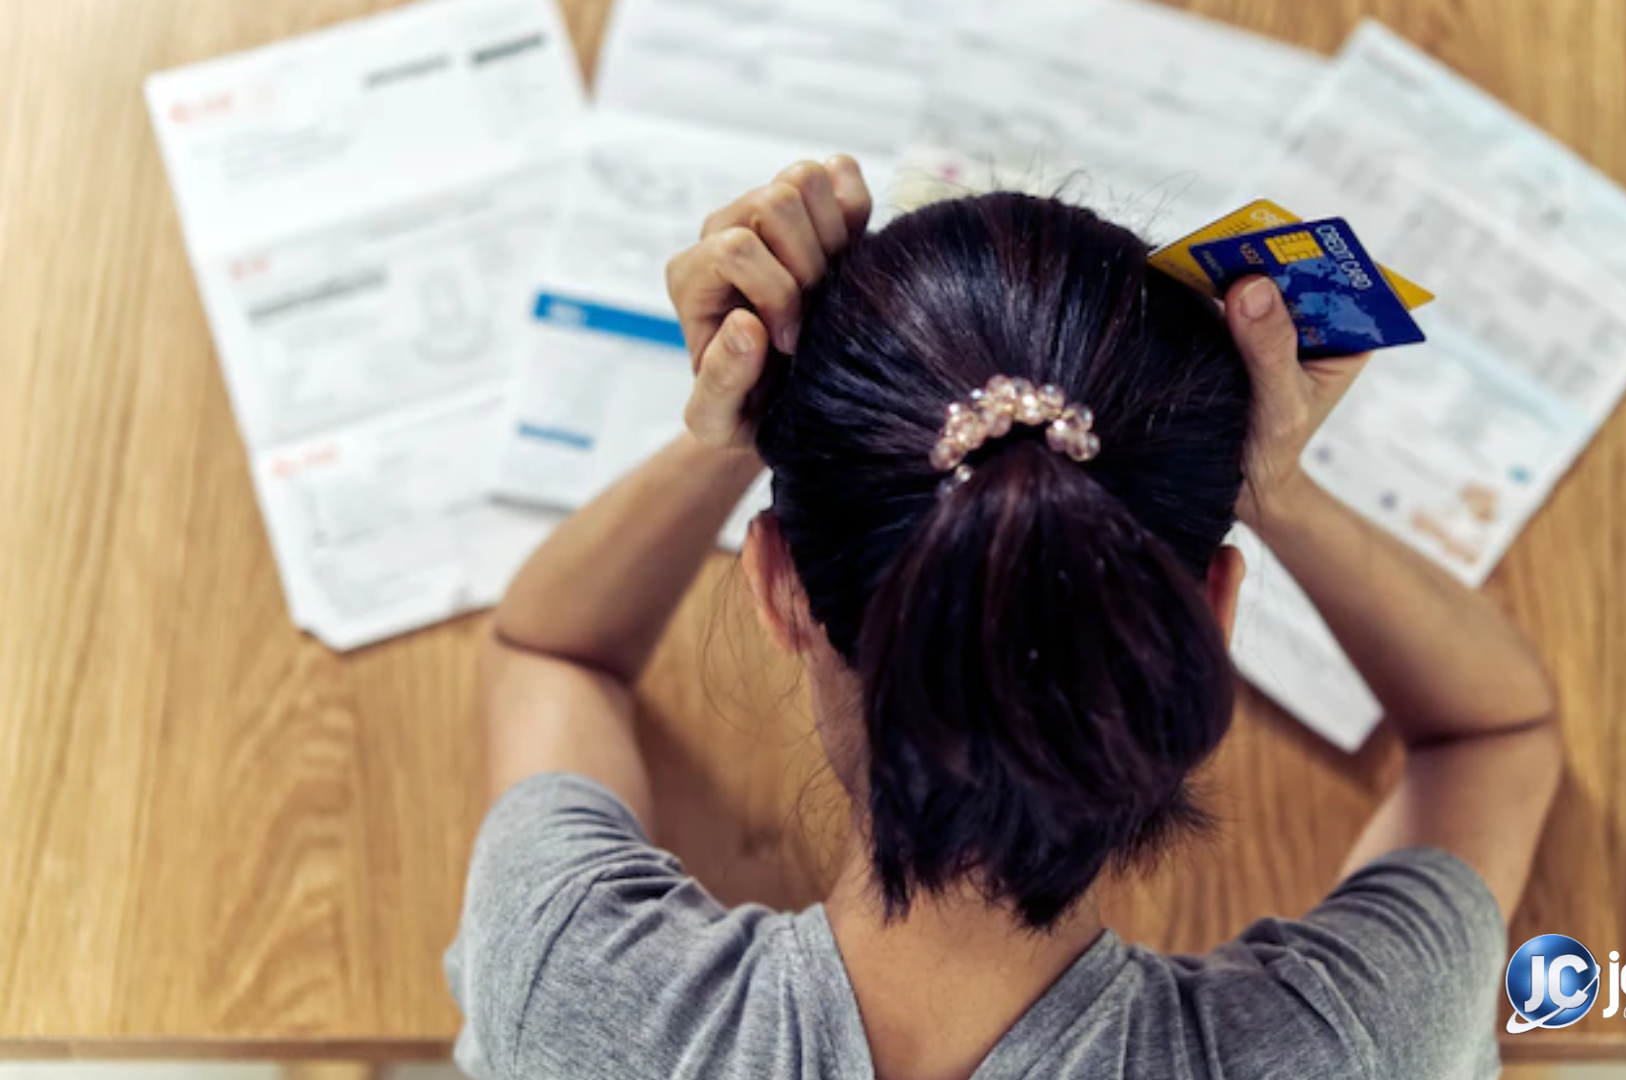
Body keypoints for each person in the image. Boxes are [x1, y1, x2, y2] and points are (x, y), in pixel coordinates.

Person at [447, 157, 1563, 1080]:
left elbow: (551, 648)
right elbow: (1494, 734)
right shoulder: (1352, 1051)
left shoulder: (572, 988)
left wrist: (730, 417)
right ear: (1211, 611)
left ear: (776, 582)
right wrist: (1277, 485)